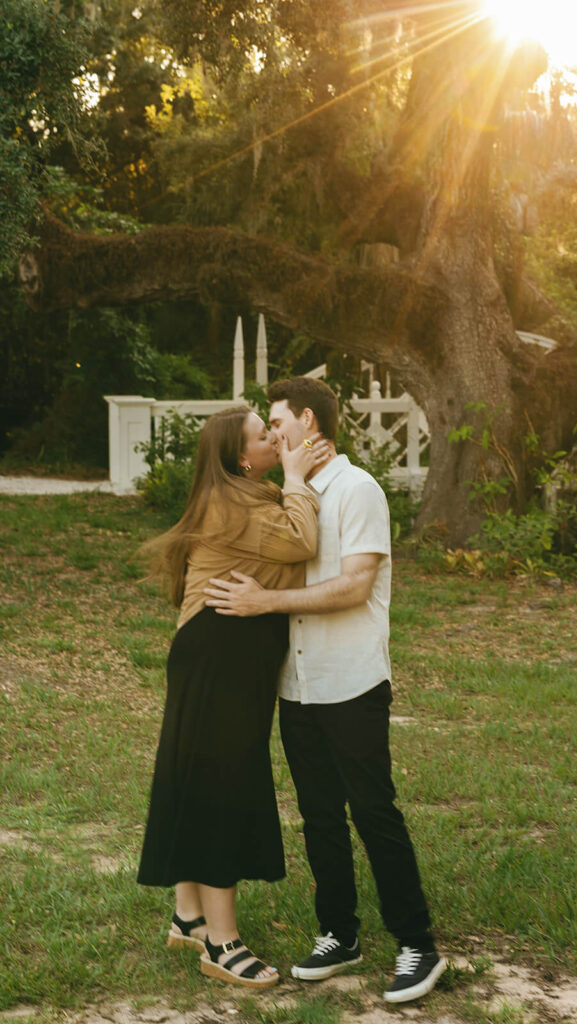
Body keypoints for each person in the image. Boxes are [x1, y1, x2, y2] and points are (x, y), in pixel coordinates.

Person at [204, 378, 446, 1004]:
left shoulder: (357, 489)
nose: (273, 434)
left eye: (278, 422)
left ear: (308, 421)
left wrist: (264, 603)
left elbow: (354, 586)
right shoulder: (288, 492)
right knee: (318, 818)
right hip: (298, 684)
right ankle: (340, 933)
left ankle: (417, 942)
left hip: (351, 680)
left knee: (373, 811)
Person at [137, 405, 329, 990]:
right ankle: (222, 945)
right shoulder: (235, 501)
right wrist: (297, 481)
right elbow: (301, 541)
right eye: (262, 433)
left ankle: (189, 915)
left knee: (197, 775)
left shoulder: (241, 493)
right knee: (224, 783)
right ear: (241, 456)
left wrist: (290, 482)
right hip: (220, 652)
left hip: (220, 651)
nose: (275, 437)